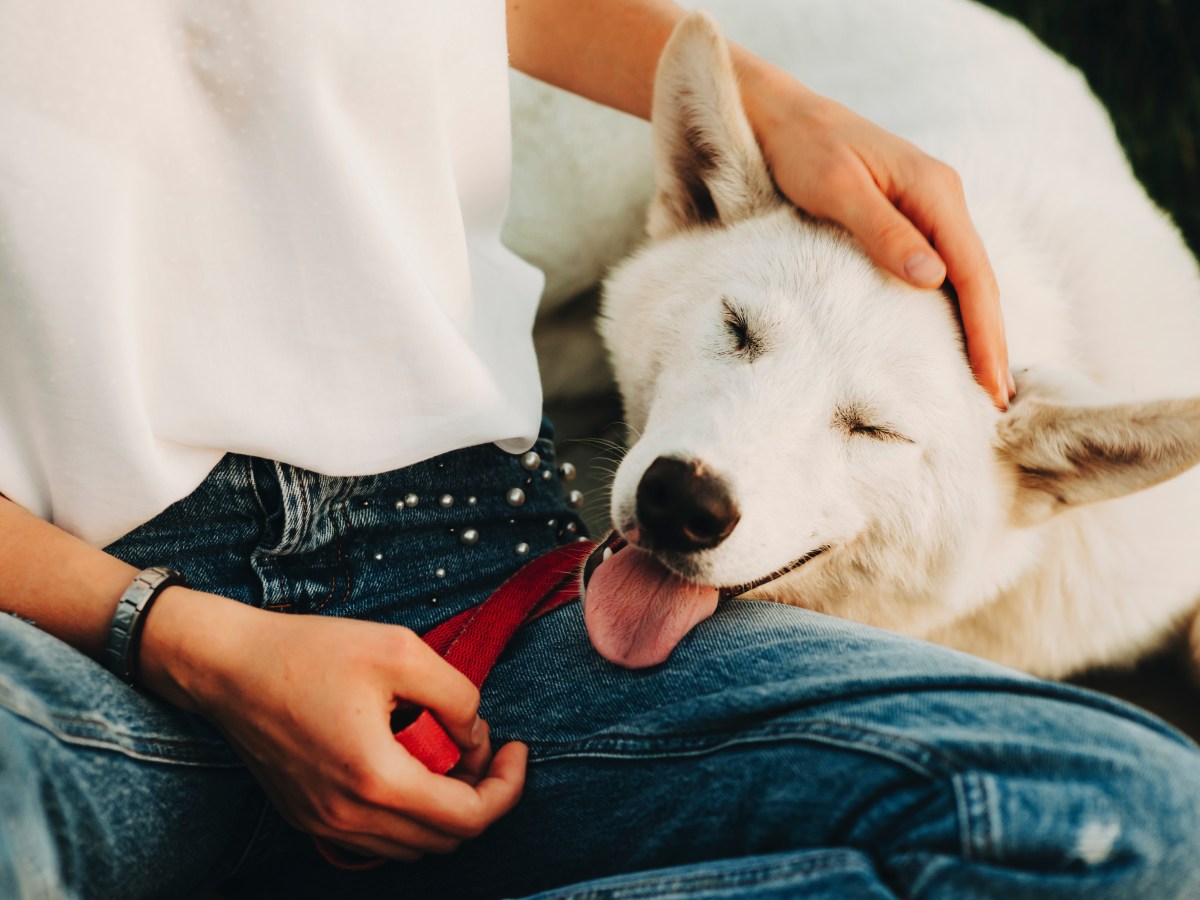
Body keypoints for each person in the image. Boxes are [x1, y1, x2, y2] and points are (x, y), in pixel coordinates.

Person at [1, 1, 1196, 898]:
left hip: (483, 566)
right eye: (735, 330)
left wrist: (778, 105)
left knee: (1145, 824)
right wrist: (187, 642)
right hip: (84, 615)